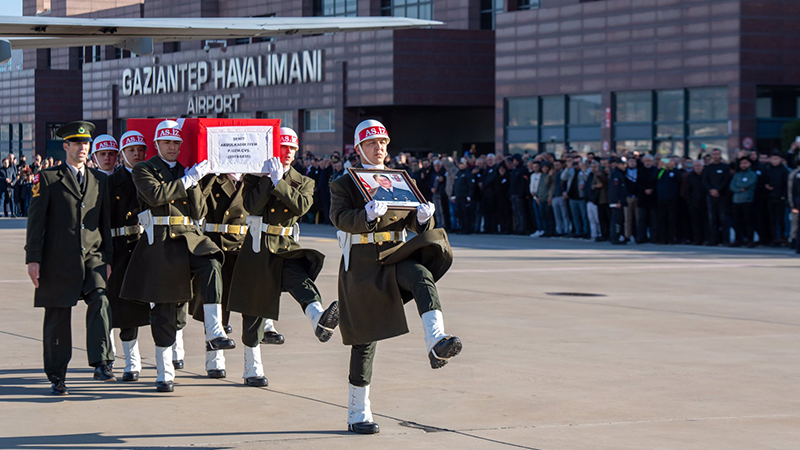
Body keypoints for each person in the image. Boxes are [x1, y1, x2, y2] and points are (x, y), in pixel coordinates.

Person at [329, 119, 461, 435]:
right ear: (359, 148)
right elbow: (339, 218)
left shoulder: (399, 179)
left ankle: (436, 340)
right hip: (362, 265)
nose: (380, 149)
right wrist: (367, 216)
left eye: (384, 143)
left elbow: (414, 223)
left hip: (395, 255)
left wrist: (424, 219)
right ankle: (358, 412)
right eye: (373, 144)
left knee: (421, 275)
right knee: (365, 341)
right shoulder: (343, 183)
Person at [120, 120, 234, 392]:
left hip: (188, 237)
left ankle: (215, 328)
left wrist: (198, 181)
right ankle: (164, 371)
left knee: (211, 260)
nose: (172, 147)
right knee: (164, 309)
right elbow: (156, 195)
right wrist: (188, 180)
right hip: (160, 241)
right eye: (166, 142)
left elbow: (197, 211)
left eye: (176, 143)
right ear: (157, 145)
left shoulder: (186, 170)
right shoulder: (144, 169)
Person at [228, 127, 338, 387]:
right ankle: (251, 368)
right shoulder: (255, 176)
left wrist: (281, 183)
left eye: (291, 148)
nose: (286, 153)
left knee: (301, 280)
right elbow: (251, 207)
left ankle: (319, 319)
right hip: (258, 245)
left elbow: (301, 206)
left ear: (296, 151)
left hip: (286, 244)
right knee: (253, 309)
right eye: (282, 147)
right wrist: (269, 179)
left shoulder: (304, 180)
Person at [25, 121, 115, 395]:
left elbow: (105, 223)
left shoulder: (99, 180)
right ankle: (57, 375)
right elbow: (36, 222)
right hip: (58, 259)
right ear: (65, 146)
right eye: (76, 143)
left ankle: (101, 363)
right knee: (58, 316)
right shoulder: (48, 178)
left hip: (93, 257)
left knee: (100, 300)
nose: (82, 148)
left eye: (86, 144)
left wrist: (108, 257)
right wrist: (33, 260)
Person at [106, 131, 165, 381]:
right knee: (124, 307)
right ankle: (132, 362)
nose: (137, 154)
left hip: (148, 244)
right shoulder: (110, 182)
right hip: (120, 247)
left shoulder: (153, 176)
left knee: (162, 303)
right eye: (132, 150)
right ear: (122, 155)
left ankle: (172, 352)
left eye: (141, 150)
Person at [702, 148, 732, 246]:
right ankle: (713, 240)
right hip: (710, 196)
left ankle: (725, 240)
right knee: (712, 219)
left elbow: (726, 180)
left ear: (720, 155)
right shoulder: (708, 168)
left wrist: (718, 190)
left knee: (723, 218)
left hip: (722, 196)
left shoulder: (725, 167)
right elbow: (705, 181)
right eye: (714, 154)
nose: (716, 156)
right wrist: (711, 190)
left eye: (717, 154)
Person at [730, 157, 758, 247]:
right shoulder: (737, 174)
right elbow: (732, 186)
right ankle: (738, 239)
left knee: (748, 221)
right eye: (742, 163)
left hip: (747, 200)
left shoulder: (752, 174)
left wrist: (739, 187)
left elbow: (748, 184)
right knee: (736, 222)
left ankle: (750, 240)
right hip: (736, 201)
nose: (743, 165)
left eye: (745, 163)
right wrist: (740, 188)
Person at [763, 151, 789, 246]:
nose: (774, 161)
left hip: (780, 197)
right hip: (770, 197)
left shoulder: (784, 170)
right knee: (772, 219)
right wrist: (766, 186)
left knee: (781, 219)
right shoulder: (767, 169)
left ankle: (782, 237)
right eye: (773, 159)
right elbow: (763, 181)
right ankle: (773, 238)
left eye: (776, 159)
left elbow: (786, 185)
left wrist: (783, 196)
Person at [685, 159, 707, 245]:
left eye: (699, 166)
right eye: (696, 166)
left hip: (705, 202)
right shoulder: (690, 176)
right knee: (695, 222)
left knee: (705, 222)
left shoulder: (706, 175)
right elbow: (688, 190)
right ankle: (697, 239)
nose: (698, 167)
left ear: (703, 166)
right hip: (694, 202)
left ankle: (706, 238)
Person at [608, 157, 628, 245]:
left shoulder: (620, 174)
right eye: (623, 164)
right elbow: (614, 189)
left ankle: (620, 236)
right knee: (616, 220)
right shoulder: (615, 174)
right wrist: (616, 201)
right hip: (616, 202)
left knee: (620, 219)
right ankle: (615, 237)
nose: (625, 166)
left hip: (620, 201)